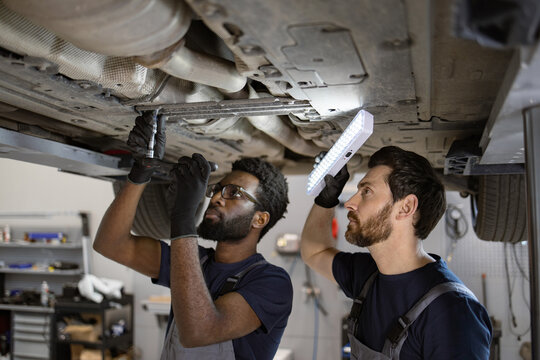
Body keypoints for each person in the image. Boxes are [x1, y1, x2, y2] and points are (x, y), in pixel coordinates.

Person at [93, 112, 292, 360]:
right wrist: (141, 173)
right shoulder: (194, 260)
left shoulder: (272, 282)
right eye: (218, 189)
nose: (217, 197)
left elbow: (199, 331)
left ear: (259, 219)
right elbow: (110, 244)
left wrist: (183, 215)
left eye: (233, 192)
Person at [301, 146, 492, 359]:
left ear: (405, 207)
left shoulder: (453, 312)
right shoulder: (368, 276)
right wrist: (326, 198)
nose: (350, 203)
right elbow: (314, 251)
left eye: (366, 192)